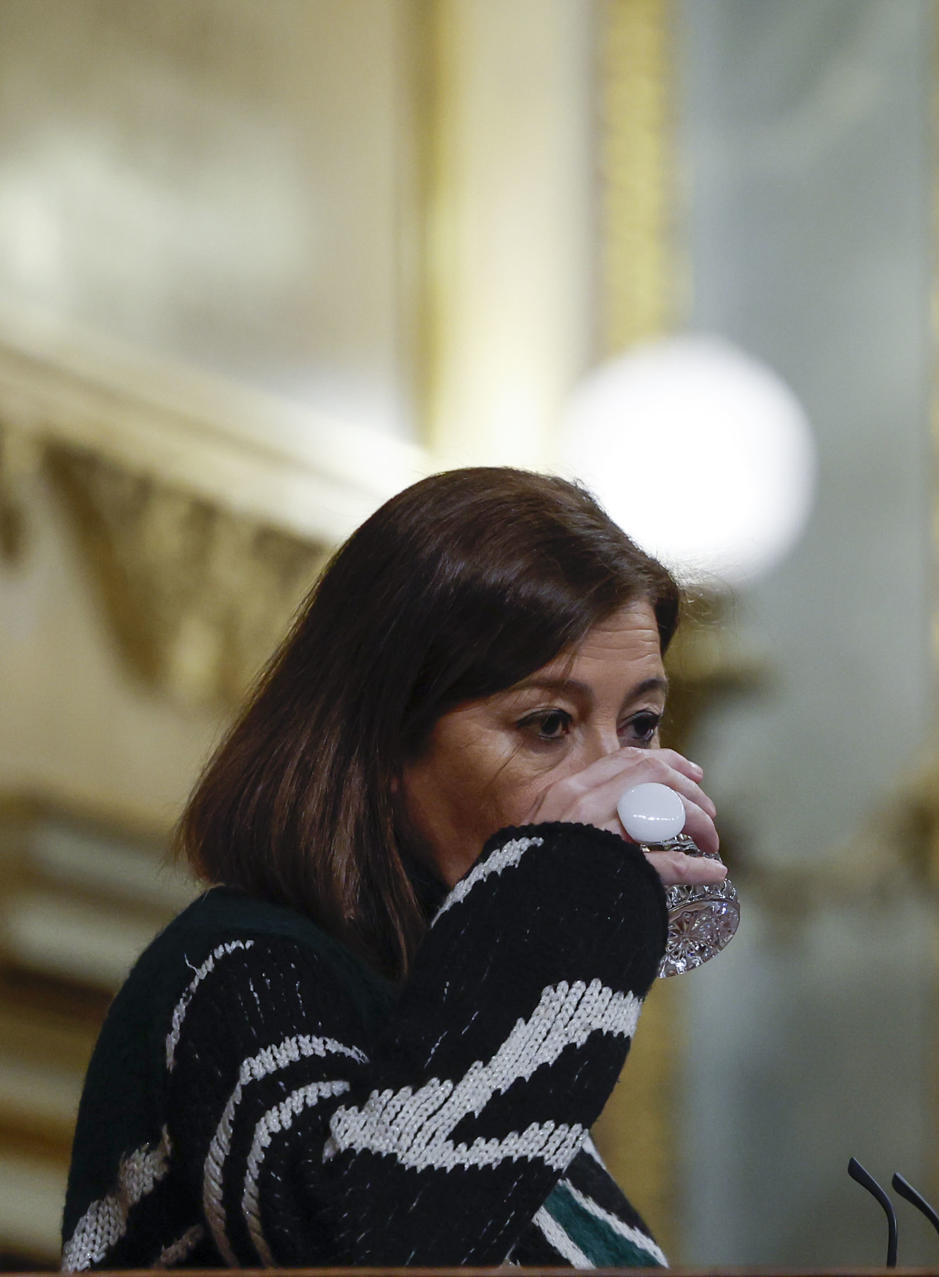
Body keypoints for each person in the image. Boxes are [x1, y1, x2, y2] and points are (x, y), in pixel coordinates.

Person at [60, 468, 727, 1269]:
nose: (616, 779)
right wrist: (546, 900)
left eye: (641, 723)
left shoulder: (456, 1032)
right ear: (380, 742)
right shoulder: (239, 973)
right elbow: (374, 1248)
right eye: (548, 723)